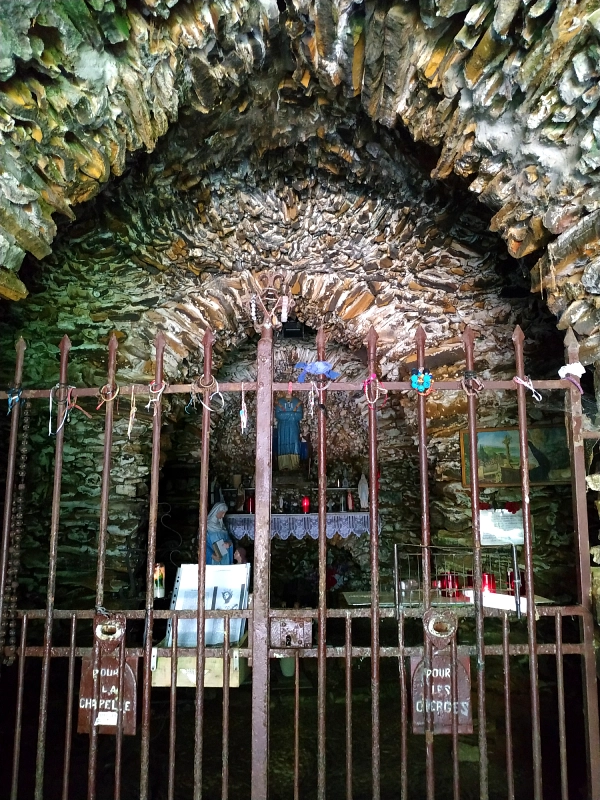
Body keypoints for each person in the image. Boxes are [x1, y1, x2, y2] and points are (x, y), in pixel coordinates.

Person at [274, 393, 303, 470]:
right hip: (283, 427)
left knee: (294, 443)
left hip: (293, 426)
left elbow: (299, 415)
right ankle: (283, 464)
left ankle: (294, 464)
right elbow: (278, 415)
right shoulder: (279, 402)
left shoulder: (297, 402)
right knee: (283, 442)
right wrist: (292, 414)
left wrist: (287, 415)